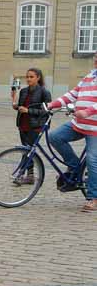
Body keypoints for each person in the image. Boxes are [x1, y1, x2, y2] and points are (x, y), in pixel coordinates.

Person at [43, 52, 97, 211]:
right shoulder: (90, 76)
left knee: (92, 160)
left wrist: (87, 112)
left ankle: (93, 197)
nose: (96, 60)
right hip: (78, 123)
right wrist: (53, 104)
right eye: (95, 58)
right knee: (55, 137)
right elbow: (73, 94)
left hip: (94, 129)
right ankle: (75, 167)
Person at [11, 68, 51, 184]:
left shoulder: (44, 92)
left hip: (36, 126)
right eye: (27, 77)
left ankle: (20, 174)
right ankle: (30, 176)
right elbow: (21, 107)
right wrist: (16, 105)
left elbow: (46, 111)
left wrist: (29, 111)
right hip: (23, 124)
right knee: (27, 151)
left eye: (31, 77)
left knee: (27, 151)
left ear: (38, 77)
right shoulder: (23, 91)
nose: (28, 79)